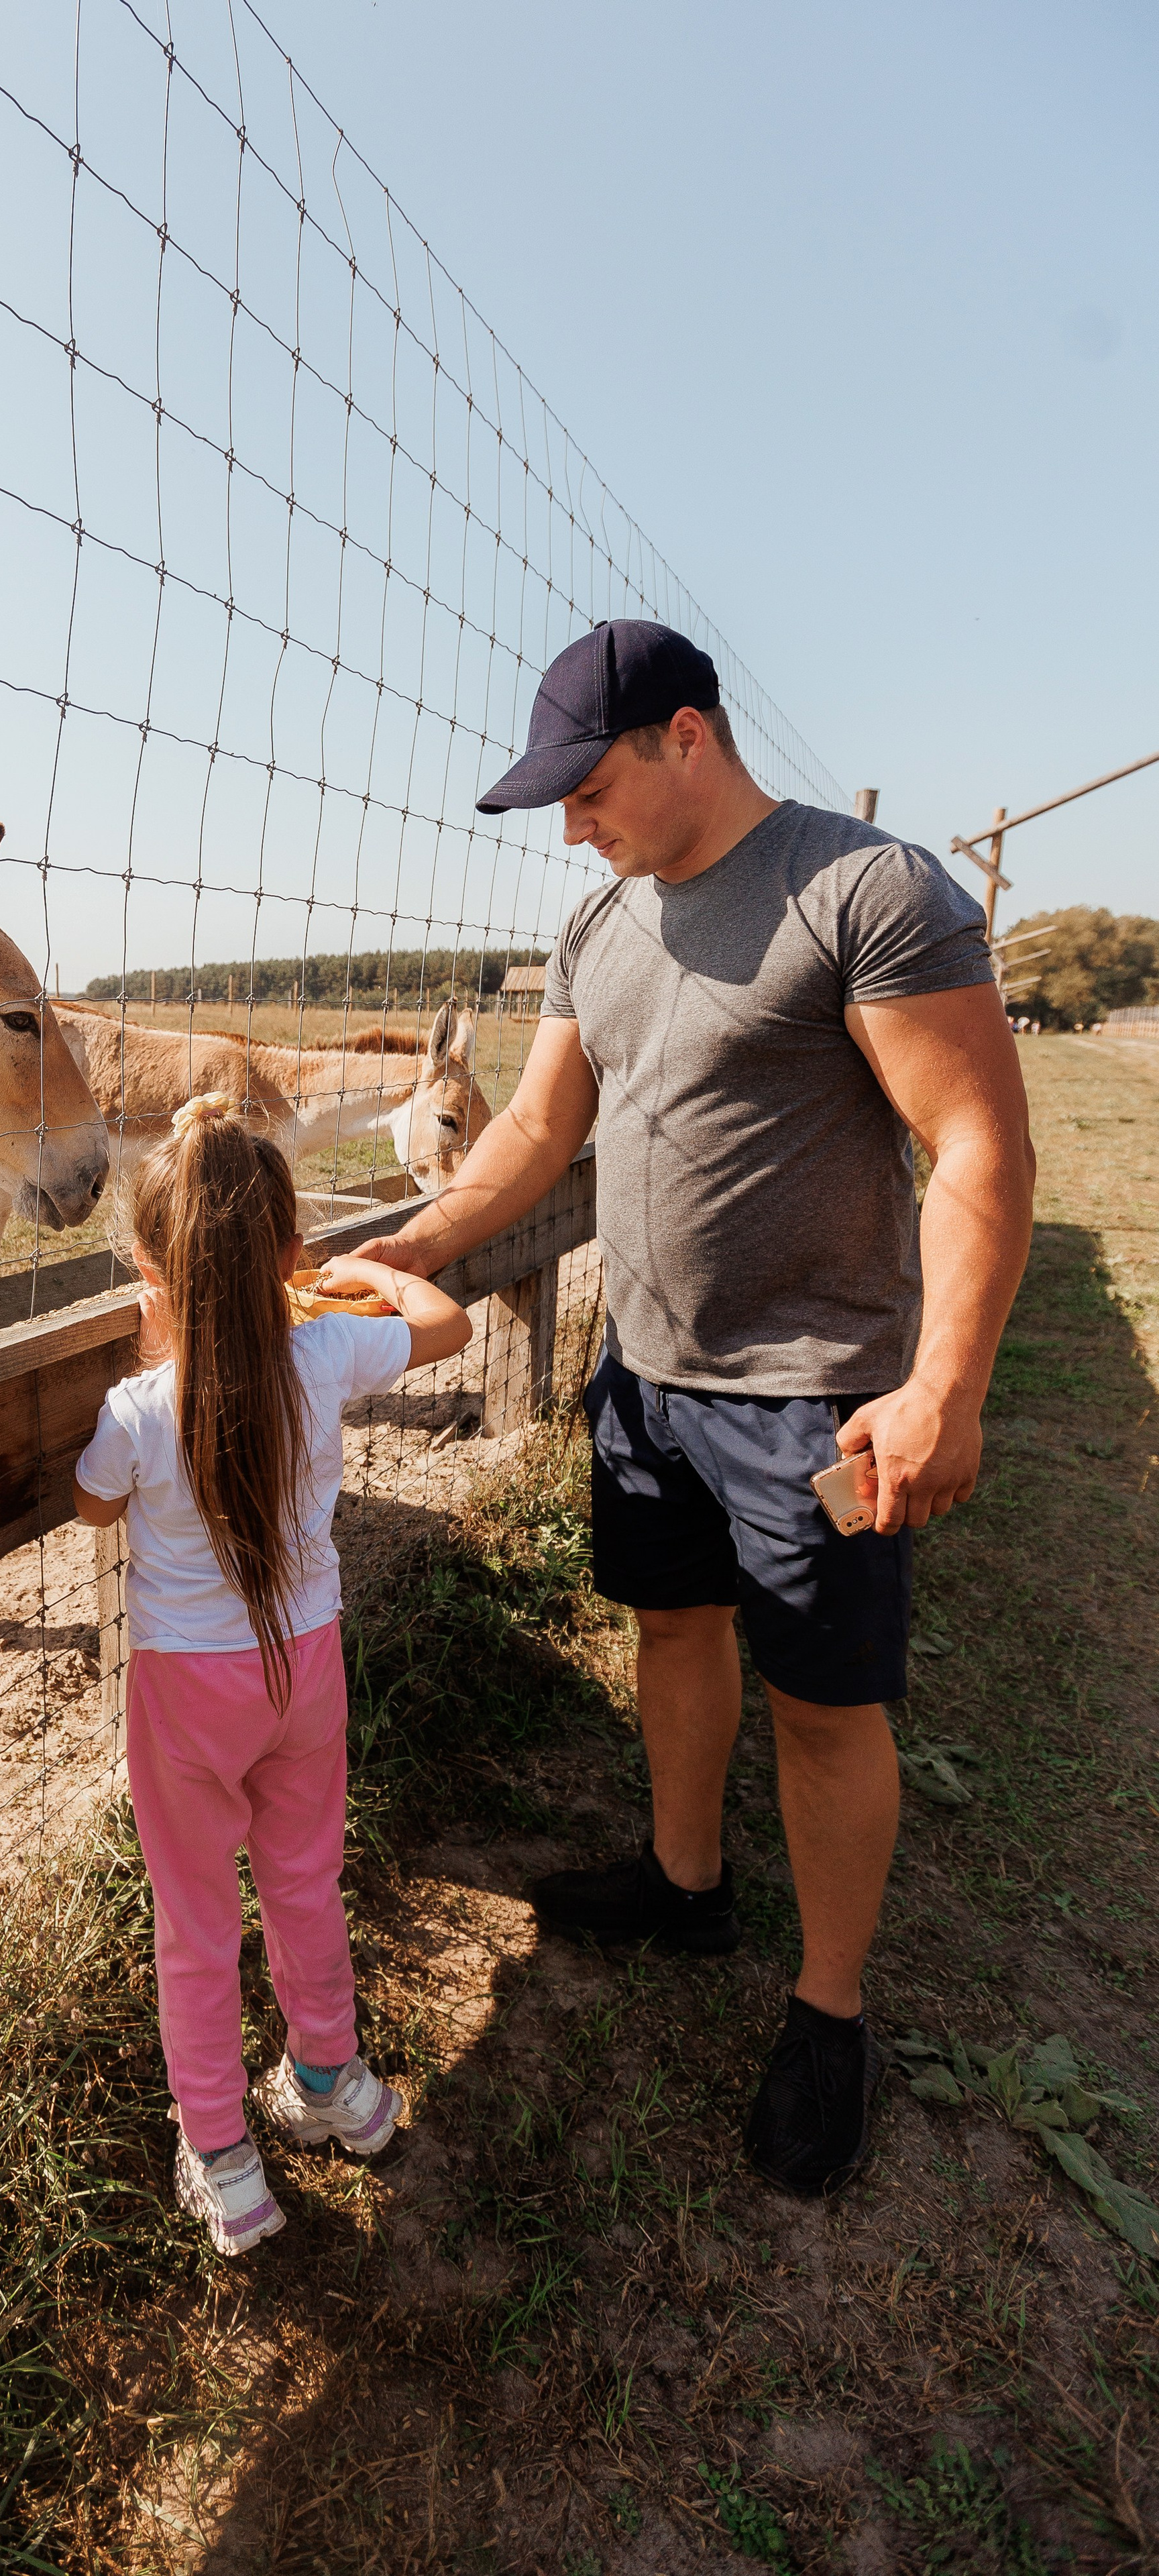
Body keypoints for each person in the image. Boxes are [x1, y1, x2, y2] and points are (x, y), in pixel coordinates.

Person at [331, 620, 1035, 2197]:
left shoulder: (863, 892)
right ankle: (683, 1881)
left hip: (815, 1404)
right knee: (668, 1629)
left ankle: (829, 2014)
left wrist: (944, 1385)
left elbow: (974, 1145)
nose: (570, 829)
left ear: (686, 738)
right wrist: (415, 1247)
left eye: (586, 792)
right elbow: (534, 1131)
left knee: (821, 1706)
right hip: (645, 1382)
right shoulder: (600, 927)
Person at [73, 1091, 473, 2254]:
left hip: (186, 1697)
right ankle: (334, 2082)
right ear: (292, 1256)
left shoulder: (136, 1410)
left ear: (149, 1268)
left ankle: (222, 2155)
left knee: (197, 1923)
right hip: (306, 1668)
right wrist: (375, 1272)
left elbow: (92, 1505)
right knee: (304, 1881)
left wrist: (154, 1349)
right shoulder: (328, 1350)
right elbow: (447, 1323)